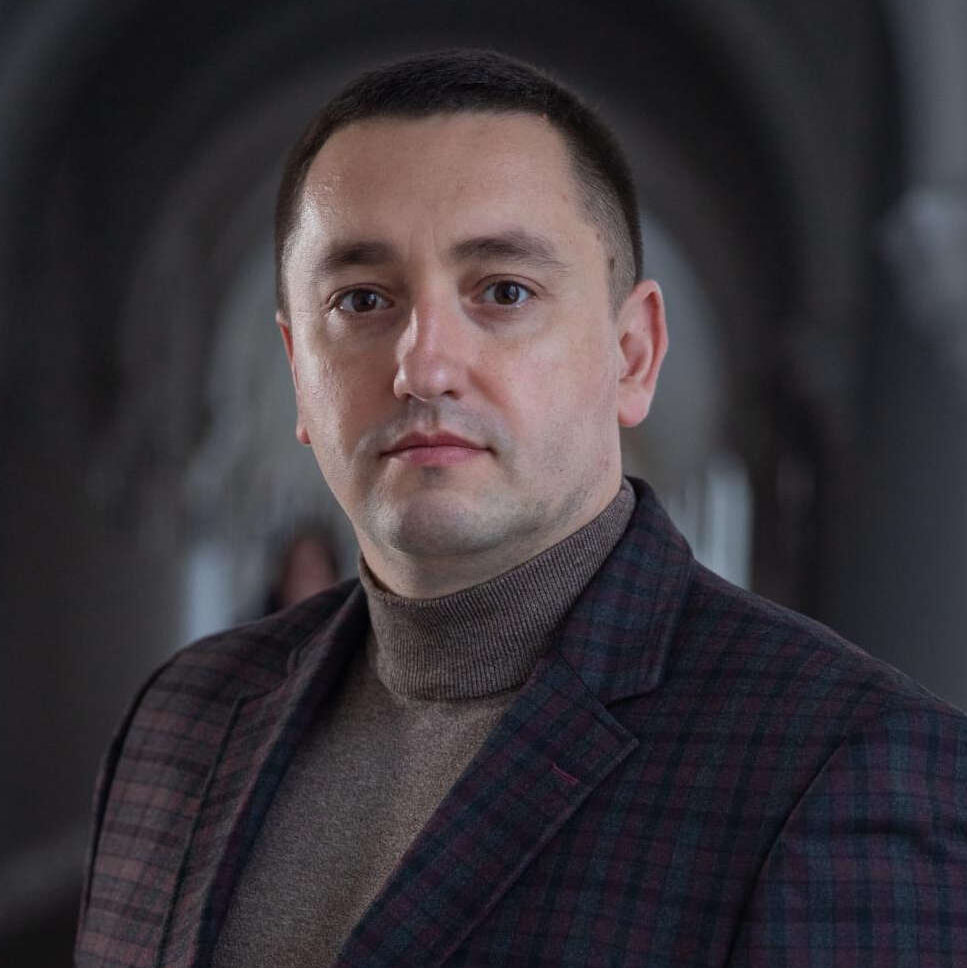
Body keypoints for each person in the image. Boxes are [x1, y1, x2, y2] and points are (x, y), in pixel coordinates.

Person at [75, 49, 967, 968]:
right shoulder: (178, 723)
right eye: (362, 299)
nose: (423, 368)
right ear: (300, 369)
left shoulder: (850, 767)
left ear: (632, 355)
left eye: (504, 292)